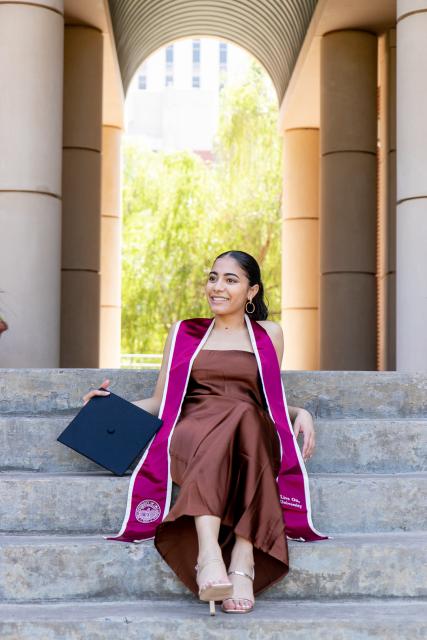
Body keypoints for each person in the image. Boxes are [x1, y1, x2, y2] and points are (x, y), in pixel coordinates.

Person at [82, 250, 316, 615]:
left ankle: (239, 554)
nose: (217, 287)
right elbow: (162, 400)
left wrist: (301, 412)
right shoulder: (184, 332)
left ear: (252, 291)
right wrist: (108, 407)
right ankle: (215, 553)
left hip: (250, 430)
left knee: (245, 413)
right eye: (213, 278)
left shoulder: (269, 334)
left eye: (230, 280)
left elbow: (268, 395)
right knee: (237, 417)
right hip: (192, 429)